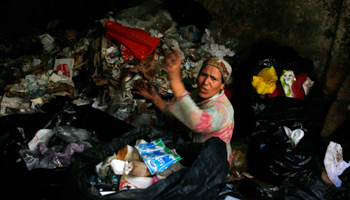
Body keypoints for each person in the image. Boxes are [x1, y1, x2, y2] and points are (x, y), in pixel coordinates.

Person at [132, 51, 234, 165]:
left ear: (222, 85)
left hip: (209, 165)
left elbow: (198, 122)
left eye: (213, 79)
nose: (206, 82)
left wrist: (175, 80)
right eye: (204, 75)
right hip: (189, 148)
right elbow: (179, 116)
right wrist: (154, 97)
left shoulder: (222, 109)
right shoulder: (197, 94)